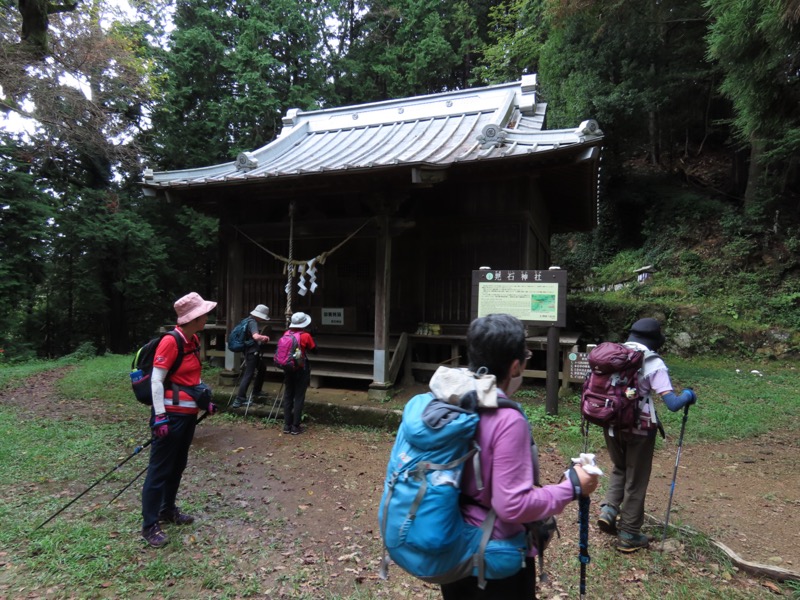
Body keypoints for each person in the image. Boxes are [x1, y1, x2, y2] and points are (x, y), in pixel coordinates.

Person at [437, 314, 600, 599]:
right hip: (494, 561)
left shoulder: (449, 401)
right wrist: (572, 487)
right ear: (515, 366)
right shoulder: (507, 420)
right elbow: (511, 505)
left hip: (452, 546)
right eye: (524, 356)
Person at [596, 317, 697, 552]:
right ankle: (629, 534)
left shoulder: (614, 355)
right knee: (637, 478)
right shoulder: (653, 362)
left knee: (620, 467)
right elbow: (671, 403)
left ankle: (609, 510)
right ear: (654, 340)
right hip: (639, 429)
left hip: (610, 423)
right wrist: (688, 396)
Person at [141, 291, 219, 548]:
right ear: (195, 317)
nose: (207, 316)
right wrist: (160, 417)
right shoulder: (171, 341)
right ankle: (150, 524)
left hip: (187, 415)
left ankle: (167, 509)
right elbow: (156, 380)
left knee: (177, 465)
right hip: (169, 417)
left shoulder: (192, 339)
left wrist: (203, 401)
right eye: (204, 313)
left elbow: (191, 379)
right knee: (159, 469)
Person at [281, 311, 316, 435]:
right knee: (299, 396)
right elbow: (314, 351)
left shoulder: (286, 333)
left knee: (288, 394)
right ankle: (295, 426)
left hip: (288, 367)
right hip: (301, 367)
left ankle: (286, 425)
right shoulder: (306, 336)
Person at [231, 304, 271, 408]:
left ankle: (256, 390)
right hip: (252, 352)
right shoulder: (253, 322)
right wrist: (264, 337)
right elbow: (256, 336)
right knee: (249, 373)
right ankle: (239, 399)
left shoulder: (246, 320)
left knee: (262, 368)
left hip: (248, 350)